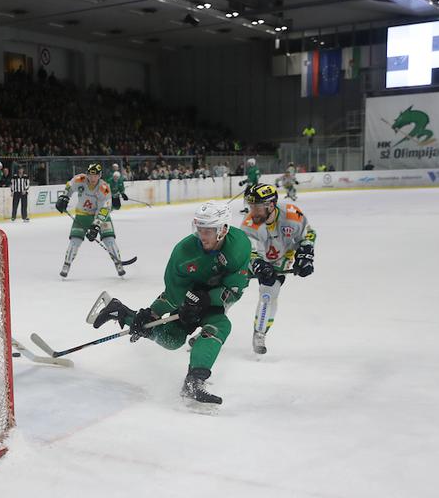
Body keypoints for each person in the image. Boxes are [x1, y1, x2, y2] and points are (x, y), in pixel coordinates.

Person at [91, 201, 250, 407]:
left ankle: (194, 381)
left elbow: (235, 289)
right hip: (186, 301)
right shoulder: (183, 252)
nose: (202, 235)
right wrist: (153, 314)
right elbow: (173, 293)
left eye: (209, 230)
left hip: (213, 303)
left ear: (224, 229)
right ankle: (120, 312)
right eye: (199, 228)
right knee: (172, 340)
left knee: (220, 326)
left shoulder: (239, 246)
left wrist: (208, 298)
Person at [239, 183, 316, 355]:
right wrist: (256, 263)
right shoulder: (249, 223)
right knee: (232, 288)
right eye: (250, 206)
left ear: (271, 205)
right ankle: (208, 326)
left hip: (281, 256)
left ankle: (259, 333)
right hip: (256, 258)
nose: (252, 211)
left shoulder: (292, 214)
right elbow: (244, 250)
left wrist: (305, 255)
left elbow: (308, 234)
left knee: (268, 292)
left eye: (256, 207)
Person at [55, 162, 126, 278]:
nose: (93, 178)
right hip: (83, 215)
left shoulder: (104, 188)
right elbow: (70, 185)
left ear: (100, 175)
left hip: (101, 216)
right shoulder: (80, 179)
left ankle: (118, 264)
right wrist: (64, 197)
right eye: (91, 175)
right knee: (75, 241)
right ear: (87, 174)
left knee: (109, 239)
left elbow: (105, 208)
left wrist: (96, 225)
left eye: (96, 175)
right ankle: (66, 264)